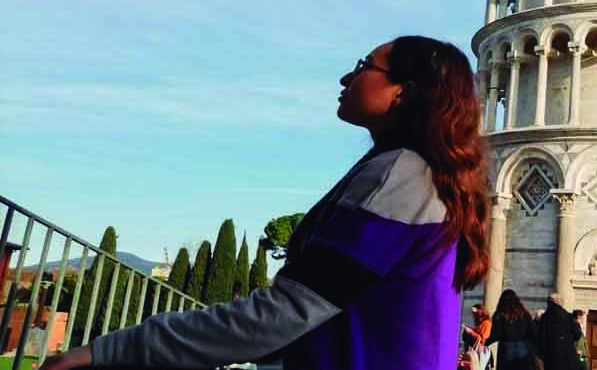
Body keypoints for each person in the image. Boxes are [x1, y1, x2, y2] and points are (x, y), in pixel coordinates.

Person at [40, 37, 491, 370]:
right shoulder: (423, 178)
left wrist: (111, 351)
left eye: (363, 66)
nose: (346, 77)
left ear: (404, 91)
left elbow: (287, 312)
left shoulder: (403, 177)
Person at [486, 290, 539, 370]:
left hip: (506, 350)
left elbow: (496, 334)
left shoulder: (499, 315)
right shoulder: (525, 314)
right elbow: (532, 332)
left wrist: (485, 342)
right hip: (523, 348)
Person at [537, 293, 582, 370]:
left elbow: (542, 338)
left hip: (552, 356)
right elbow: (577, 334)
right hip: (568, 356)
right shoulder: (568, 316)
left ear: (550, 303)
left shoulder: (545, 317)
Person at [463, 303, 494, 369]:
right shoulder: (479, 323)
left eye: (475, 313)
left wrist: (471, 332)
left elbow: (482, 340)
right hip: (475, 352)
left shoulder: (487, 323)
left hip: (480, 353)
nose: (473, 315)